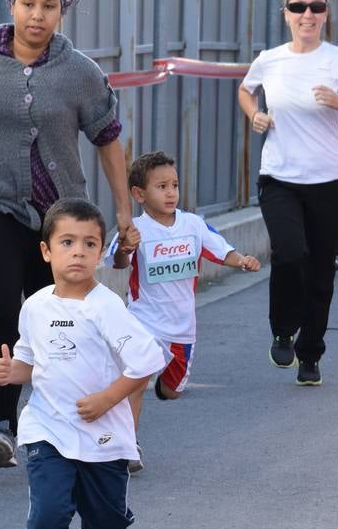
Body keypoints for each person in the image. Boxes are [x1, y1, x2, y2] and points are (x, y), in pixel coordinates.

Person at [0, 0, 136, 470]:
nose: (37, 15)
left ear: (61, 12)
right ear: (11, 5)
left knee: (59, 319)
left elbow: (107, 139)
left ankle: (88, 428)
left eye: (48, 7)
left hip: (59, 216)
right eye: (28, 4)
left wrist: (124, 208)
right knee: (1, 307)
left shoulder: (79, 71)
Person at [0, 198, 166, 529]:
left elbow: (146, 362)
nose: (79, 252)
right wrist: (12, 372)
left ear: (100, 252)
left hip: (102, 435)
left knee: (106, 527)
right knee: (45, 520)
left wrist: (109, 399)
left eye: (90, 244)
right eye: (67, 242)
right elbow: (31, 361)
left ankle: (103, 510)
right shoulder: (34, 306)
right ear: (47, 251)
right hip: (47, 429)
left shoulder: (105, 305)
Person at [238, 0, 338, 385]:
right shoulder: (270, 59)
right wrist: (255, 115)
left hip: (328, 180)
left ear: (325, 14)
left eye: (316, 7)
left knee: (321, 269)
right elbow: (246, 91)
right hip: (280, 175)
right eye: (299, 7)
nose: (308, 14)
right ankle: (283, 329)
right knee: (289, 252)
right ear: (286, 14)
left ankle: (310, 354)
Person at [109, 151, 260, 471]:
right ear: (139, 194)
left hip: (182, 329)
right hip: (143, 322)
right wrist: (127, 247)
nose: (170, 192)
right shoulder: (135, 229)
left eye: (174, 185)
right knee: (134, 384)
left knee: (173, 390)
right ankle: (127, 448)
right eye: (161, 186)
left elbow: (222, 250)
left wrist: (242, 260)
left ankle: (165, 385)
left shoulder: (192, 225)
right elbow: (117, 263)